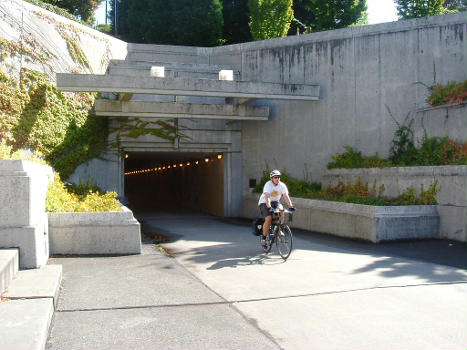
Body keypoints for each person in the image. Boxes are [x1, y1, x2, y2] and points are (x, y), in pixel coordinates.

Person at [258, 170, 294, 245]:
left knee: (281, 210)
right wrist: (269, 207)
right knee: (268, 218)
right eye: (275, 177)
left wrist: (291, 206)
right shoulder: (268, 185)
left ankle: (279, 228)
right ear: (272, 178)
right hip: (264, 202)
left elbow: (286, 196)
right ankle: (264, 238)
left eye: (279, 177)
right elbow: (267, 197)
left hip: (275, 202)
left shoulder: (282, 185)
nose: (277, 179)